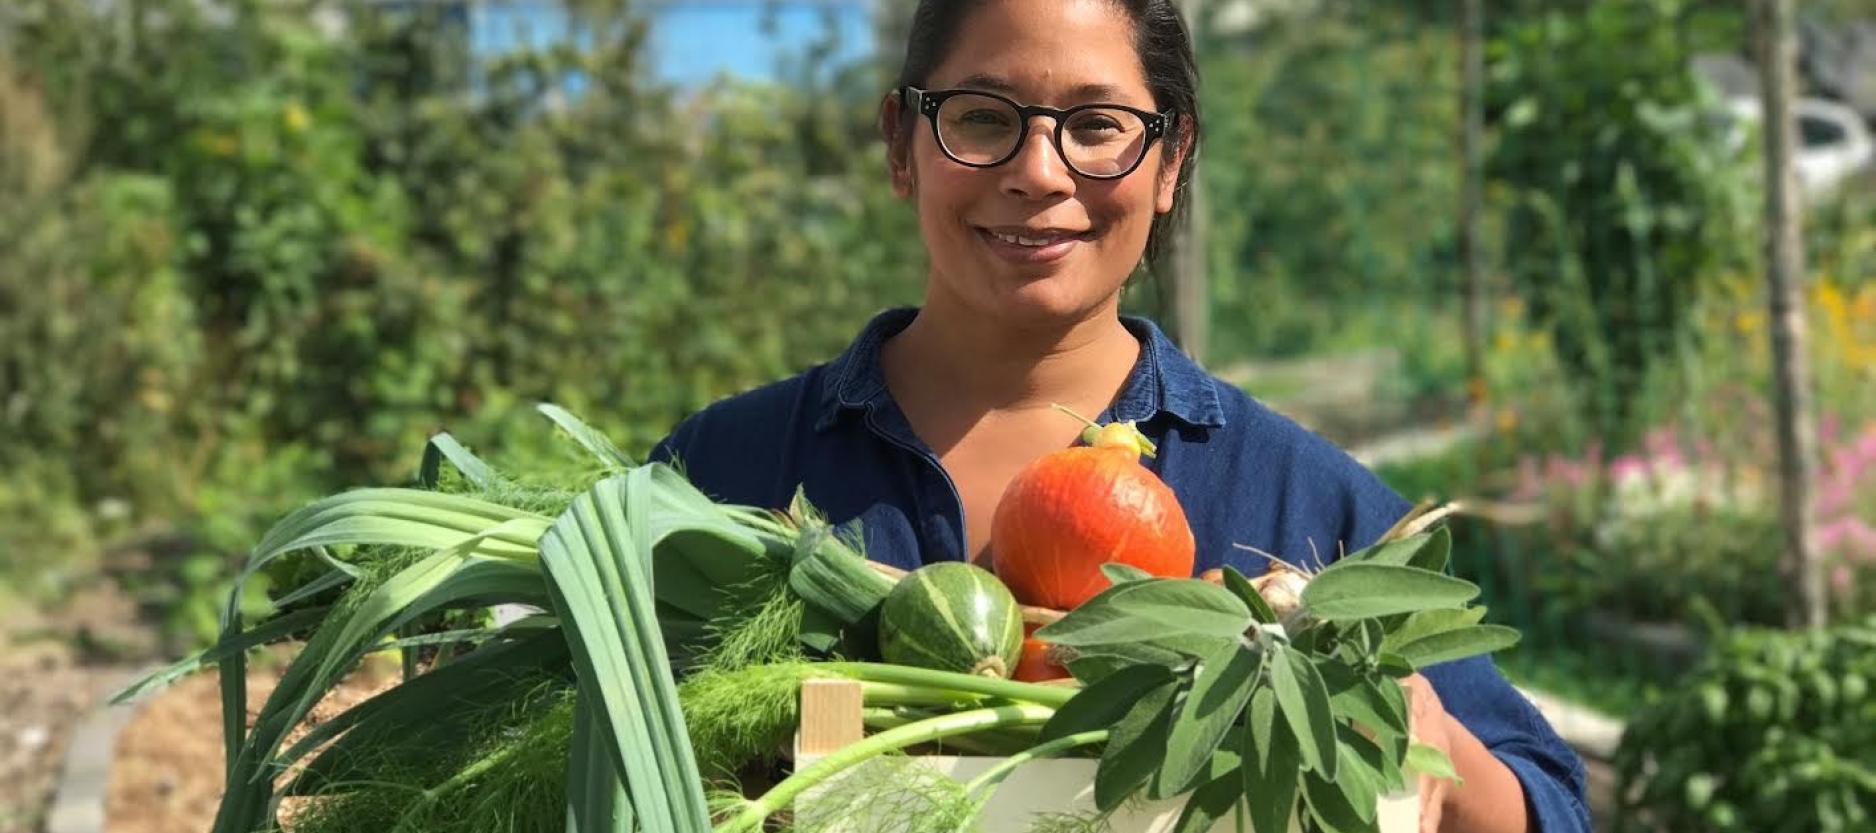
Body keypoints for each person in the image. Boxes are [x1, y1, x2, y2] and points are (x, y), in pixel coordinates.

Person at [650, 1, 1590, 830]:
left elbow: (1547, 803)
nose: (1037, 170)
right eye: (981, 119)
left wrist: (1425, 732)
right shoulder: (720, 478)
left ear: (1171, 159)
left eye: (1098, 126)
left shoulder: (1313, 510)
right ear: (902, 144)